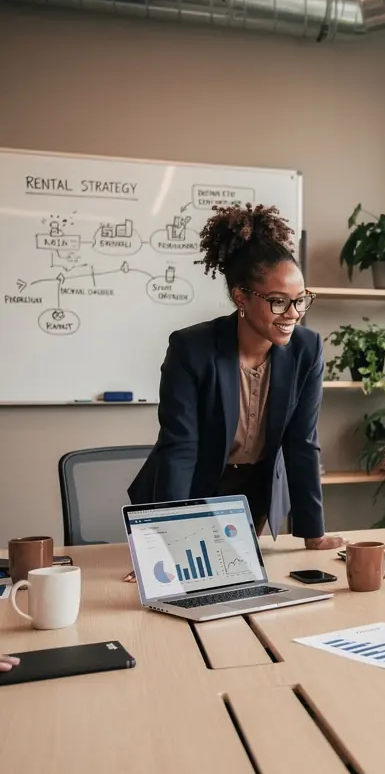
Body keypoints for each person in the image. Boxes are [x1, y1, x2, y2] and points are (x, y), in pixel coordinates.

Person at [128, 204, 342, 550]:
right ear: (240, 297)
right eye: (278, 301)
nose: (293, 314)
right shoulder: (191, 349)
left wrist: (313, 534)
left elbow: (302, 443)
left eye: (300, 300)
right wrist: (164, 541)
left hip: (250, 499)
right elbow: (179, 448)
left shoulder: (307, 349)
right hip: (189, 491)